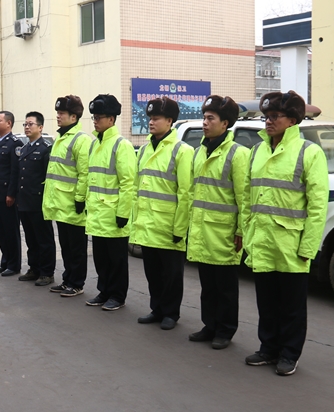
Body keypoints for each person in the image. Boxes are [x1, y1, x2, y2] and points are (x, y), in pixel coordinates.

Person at [244, 91, 328, 376]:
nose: (268, 121)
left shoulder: (308, 152)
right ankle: (268, 348)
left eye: (275, 117)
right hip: (262, 241)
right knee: (266, 302)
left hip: (291, 243)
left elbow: (317, 206)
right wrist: (248, 233)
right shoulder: (257, 151)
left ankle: (289, 354)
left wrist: (308, 248)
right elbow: (248, 197)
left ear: (292, 120)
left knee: (291, 306)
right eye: (266, 117)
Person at [187, 95, 249, 349]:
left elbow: (244, 197)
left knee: (225, 287)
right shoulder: (199, 152)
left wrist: (241, 230)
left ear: (225, 124)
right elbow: (193, 192)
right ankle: (209, 325)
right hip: (202, 229)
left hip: (224, 232)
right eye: (204, 117)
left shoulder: (238, 154)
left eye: (210, 118)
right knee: (208, 285)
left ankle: (225, 329)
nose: (205, 122)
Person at [131, 97, 193, 330]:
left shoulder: (182, 150)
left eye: (156, 118)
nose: (151, 122)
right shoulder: (144, 149)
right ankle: (156, 309)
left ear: (170, 121)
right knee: (153, 273)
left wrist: (180, 228)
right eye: (150, 118)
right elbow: (137, 188)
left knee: (171, 275)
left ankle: (171, 313)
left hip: (168, 225)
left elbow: (185, 193)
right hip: (147, 224)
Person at [84, 94, 137, 311]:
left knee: (116, 260)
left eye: (99, 117)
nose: (95, 121)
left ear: (111, 119)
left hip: (114, 216)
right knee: (101, 259)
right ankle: (104, 291)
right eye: (94, 117)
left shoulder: (121, 145)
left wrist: (123, 213)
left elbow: (128, 183)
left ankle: (117, 295)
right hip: (97, 213)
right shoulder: (95, 144)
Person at [42, 95, 93, 298]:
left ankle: (77, 283)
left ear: (74, 117)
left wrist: (80, 199)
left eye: (62, 113)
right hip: (60, 205)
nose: (58, 116)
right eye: (58, 113)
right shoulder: (60, 138)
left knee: (77, 248)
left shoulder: (81, 140)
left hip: (73, 204)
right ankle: (67, 280)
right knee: (66, 247)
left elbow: (84, 173)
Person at [16, 111, 56, 287]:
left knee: (43, 239)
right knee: (31, 239)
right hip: (25, 201)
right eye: (25, 124)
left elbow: (49, 177)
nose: (27, 127)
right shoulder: (25, 148)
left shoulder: (45, 148)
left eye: (30, 124)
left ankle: (47, 272)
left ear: (40, 127)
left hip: (39, 201)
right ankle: (34, 268)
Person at [0, 111, 22, 276]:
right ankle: (5, 261)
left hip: (6, 195)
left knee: (10, 231)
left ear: (9, 123)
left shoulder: (14, 144)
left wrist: (11, 194)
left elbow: (15, 171)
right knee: (0, 231)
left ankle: (14, 264)